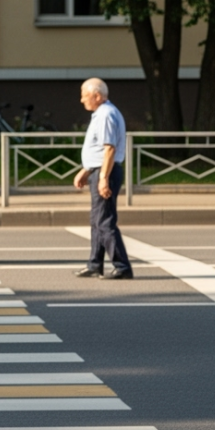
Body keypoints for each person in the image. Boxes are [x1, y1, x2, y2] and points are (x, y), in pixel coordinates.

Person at [73, 77, 132, 279]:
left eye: (84, 95)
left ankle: (122, 266)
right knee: (96, 220)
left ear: (97, 96)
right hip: (100, 170)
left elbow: (109, 149)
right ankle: (95, 264)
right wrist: (87, 170)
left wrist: (103, 178)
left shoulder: (106, 114)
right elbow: (99, 150)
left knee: (104, 221)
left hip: (106, 171)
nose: (81, 100)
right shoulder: (102, 113)